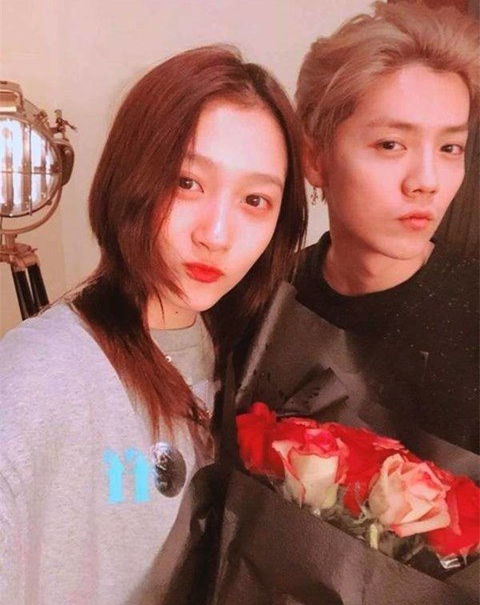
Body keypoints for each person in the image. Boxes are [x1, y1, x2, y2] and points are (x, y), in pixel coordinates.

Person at [0, 46, 307, 604]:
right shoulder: (38, 378)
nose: (216, 234)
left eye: (255, 200)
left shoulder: (248, 358)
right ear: (130, 177)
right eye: (187, 182)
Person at [294, 0, 479, 453]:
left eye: (450, 148)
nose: (427, 182)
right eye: (391, 144)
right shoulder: (265, 295)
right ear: (315, 158)